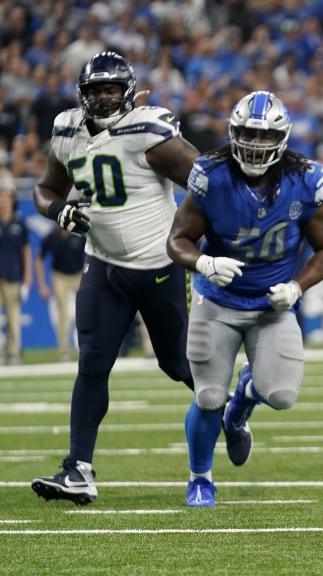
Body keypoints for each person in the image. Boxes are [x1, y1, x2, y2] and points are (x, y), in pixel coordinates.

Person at [31, 52, 198, 505]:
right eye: (95, 90)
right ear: (82, 95)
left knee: (178, 365)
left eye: (111, 89)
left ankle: (232, 407)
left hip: (158, 267)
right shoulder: (66, 130)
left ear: (127, 90)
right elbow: (44, 189)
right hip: (102, 265)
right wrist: (58, 210)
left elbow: (204, 184)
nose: (103, 97)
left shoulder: (149, 130)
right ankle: (78, 469)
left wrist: (196, 245)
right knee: (92, 362)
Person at [167, 90, 323, 507]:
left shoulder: (306, 179)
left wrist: (298, 287)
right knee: (208, 395)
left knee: (280, 394)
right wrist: (204, 264)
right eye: (249, 134)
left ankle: (243, 401)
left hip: (272, 304)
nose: (257, 144)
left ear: (281, 138)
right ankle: (200, 479)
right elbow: (177, 240)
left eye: (266, 137)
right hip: (217, 301)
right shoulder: (211, 175)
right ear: (233, 133)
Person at [35, 225, 86, 360]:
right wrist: (42, 284)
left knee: (85, 310)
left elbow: (91, 254)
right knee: (62, 313)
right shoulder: (51, 236)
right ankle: (64, 350)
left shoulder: (78, 234)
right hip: (59, 276)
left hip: (78, 274)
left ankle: (87, 346)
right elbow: (39, 259)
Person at [0, 188, 31, 366]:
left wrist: (27, 277)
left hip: (13, 278)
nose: (3, 201)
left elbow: (26, 251)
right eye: (1, 198)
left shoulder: (20, 224)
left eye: (5, 198)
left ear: (12, 201)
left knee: (14, 319)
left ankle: (13, 353)